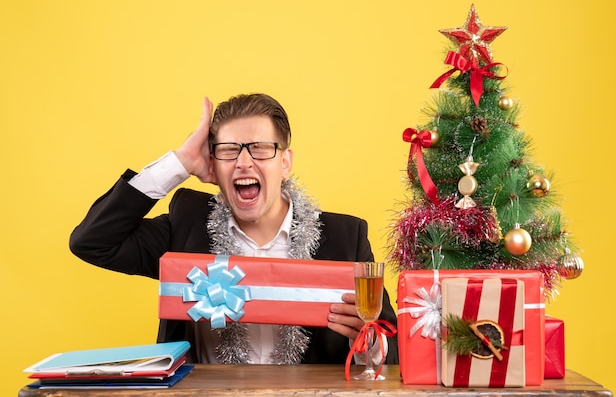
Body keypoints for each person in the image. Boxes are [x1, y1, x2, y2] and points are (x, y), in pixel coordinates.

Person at [69, 93, 399, 365]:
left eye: (260, 148)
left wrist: (369, 344)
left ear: (284, 162)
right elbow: (92, 241)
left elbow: (392, 353)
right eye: (229, 151)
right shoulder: (186, 226)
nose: (243, 162)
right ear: (212, 164)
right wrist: (179, 163)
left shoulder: (345, 238)